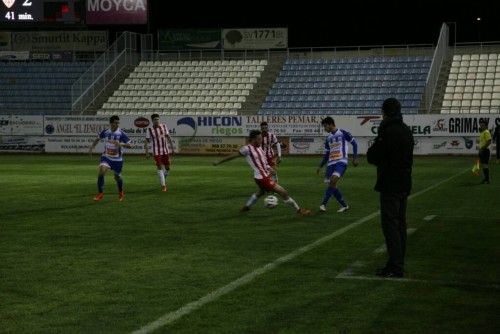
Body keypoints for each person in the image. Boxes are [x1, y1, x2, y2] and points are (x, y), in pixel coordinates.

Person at [367, 98, 414, 278]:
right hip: (404, 182)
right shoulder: (406, 130)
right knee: (400, 224)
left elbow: (373, 156)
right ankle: (398, 262)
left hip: (390, 183)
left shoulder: (387, 131)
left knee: (391, 225)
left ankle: (395, 266)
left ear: (384, 112)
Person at [213, 130, 310, 215]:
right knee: (283, 192)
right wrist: (219, 161)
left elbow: (263, 163)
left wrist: (269, 168)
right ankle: (299, 210)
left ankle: (246, 207)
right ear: (253, 139)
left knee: (261, 192)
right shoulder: (247, 149)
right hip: (261, 178)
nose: (261, 141)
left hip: (263, 176)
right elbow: (233, 156)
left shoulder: (260, 149)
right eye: (259, 139)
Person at [316, 117, 358, 213]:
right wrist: (320, 166)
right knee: (332, 185)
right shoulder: (328, 138)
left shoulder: (343, 132)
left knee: (333, 180)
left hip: (341, 161)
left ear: (331, 124)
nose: (325, 128)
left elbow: (354, 144)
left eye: (325, 126)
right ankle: (344, 205)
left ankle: (323, 204)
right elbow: (327, 154)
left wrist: (355, 158)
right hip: (330, 163)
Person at [89, 115, 132, 202]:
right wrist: (92, 147)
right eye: (115, 123)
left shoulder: (121, 133)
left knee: (117, 177)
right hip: (106, 157)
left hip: (117, 160)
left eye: (118, 123)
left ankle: (120, 192)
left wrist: (120, 144)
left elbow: (130, 145)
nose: (117, 124)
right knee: (101, 172)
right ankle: (100, 193)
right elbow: (97, 138)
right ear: (111, 123)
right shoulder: (106, 132)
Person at [144, 114, 174, 191]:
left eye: (157, 119)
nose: (156, 121)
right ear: (152, 120)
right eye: (155, 119)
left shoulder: (164, 126)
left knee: (167, 168)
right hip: (156, 151)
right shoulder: (149, 129)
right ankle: (163, 186)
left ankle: (163, 177)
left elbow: (168, 137)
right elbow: (146, 142)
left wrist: (172, 148)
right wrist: (147, 153)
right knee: (159, 167)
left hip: (165, 150)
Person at [478, 119, 492, 184]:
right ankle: (486, 179)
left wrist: (482, 148)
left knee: (485, 165)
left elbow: (489, 142)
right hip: (483, 150)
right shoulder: (482, 132)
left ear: (485, 125)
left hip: (485, 150)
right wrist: (480, 149)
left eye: (482, 125)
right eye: (481, 124)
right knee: (483, 165)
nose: (481, 126)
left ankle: (487, 180)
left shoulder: (486, 132)